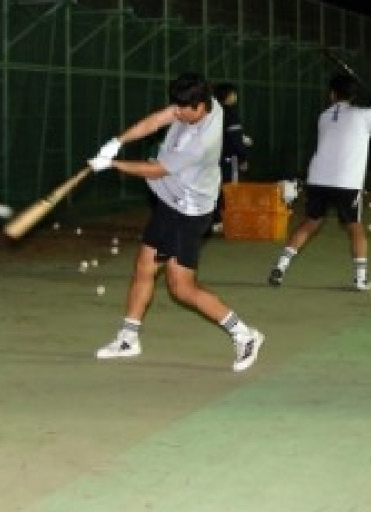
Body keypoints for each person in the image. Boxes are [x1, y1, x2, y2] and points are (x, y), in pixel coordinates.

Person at [87, 72, 264, 372]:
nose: (177, 113)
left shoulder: (201, 143)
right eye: (176, 106)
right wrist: (117, 141)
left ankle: (244, 335)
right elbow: (156, 120)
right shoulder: (200, 104)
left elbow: (157, 171)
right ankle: (128, 338)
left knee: (181, 288)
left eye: (184, 109)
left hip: (189, 212)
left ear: (201, 107)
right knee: (144, 265)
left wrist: (113, 164)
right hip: (170, 203)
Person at [267, 75, 371, 291]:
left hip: (318, 179)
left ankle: (280, 267)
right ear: (354, 95)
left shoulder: (324, 116)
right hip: (346, 182)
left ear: (332, 95)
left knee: (309, 223)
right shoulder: (366, 115)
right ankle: (360, 278)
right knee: (355, 228)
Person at [210, 83, 251, 235]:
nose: (235, 96)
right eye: (234, 94)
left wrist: (242, 138)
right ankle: (228, 222)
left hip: (212, 158)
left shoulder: (212, 112)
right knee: (230, 190)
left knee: (214, 189)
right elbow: (234, 138)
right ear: (227, 96)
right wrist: (243, 157)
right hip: (228, 158)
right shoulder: (231, 113)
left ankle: (215, 221)